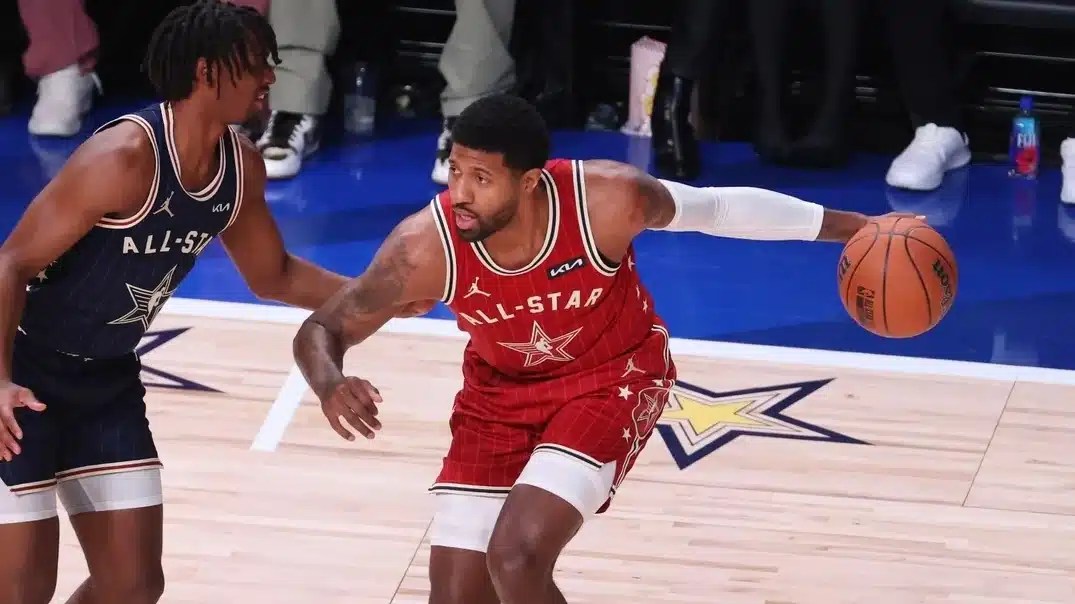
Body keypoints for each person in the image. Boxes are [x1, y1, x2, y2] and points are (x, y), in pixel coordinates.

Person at [293, 94, 912, 602]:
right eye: (456, 171)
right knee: (457, 597)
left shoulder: (608, 200)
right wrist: (330, 383)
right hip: (498, 396)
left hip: (612, 376)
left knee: (518, 554)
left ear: (531, 181)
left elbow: (719, 208)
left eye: (481, 178)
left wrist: (858, 228)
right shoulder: (425, 247)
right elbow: (322, 329)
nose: (460, 192)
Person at [0, 2, 362, 603]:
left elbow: (272, 275)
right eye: (256, 64)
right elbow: (11, 263)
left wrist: (380, 295)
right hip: (28, 379)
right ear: (206, 71)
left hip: (106, 384)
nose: (270, 76)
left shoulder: (240, 164)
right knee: (23, 590)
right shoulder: (123, 158)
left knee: (134, 586)